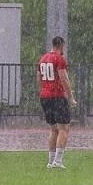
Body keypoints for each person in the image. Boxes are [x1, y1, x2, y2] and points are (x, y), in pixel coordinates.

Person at [37, 35, 77, 169]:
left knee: (53, 129)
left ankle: (50, 161)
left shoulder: (43, 58)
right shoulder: (59, 59)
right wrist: (70, 97)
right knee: (64, 128)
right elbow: (64, 78)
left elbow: (39, 78)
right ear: (61, 46)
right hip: (57, 96)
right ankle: (58, 161)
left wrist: (43, 91)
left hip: (45, 96)